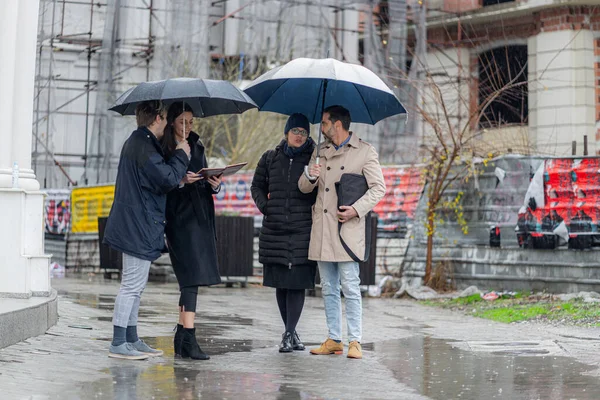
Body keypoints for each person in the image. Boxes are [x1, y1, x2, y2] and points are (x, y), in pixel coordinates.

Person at [104, 100, 191, 360]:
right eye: (165, 118)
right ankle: (119, 342)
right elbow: (164, 179)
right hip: (136, 224)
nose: (167, 123)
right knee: (131, 285)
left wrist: (181, 178)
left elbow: (156, 179)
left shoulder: (141, 143)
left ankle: (131, 338)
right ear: (157, 118)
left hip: (138, 223)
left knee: (136, 286)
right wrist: (182, 155)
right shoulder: (142, 145)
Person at [298, 105, 386, 359]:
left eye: (324, 123)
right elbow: (304, 188)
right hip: (323, 228)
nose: (321, 128)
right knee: (327, 287)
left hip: (346, 228)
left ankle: (355, 341)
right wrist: (309, 175)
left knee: (350, 285)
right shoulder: (319, 151)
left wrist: (356, 210)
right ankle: (334, 338)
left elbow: (378, 189)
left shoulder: (365, 152)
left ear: (337, 125)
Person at [161, 102, 222, 361]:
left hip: (200, 216)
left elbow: (205, 177)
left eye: (191, 122)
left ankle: (181, 337)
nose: (188, 126)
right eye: (183, 121)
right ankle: (189, 336)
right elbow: (162, 181)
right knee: (190, 276)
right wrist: (181, 179)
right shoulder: (164, 147)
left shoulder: (197, 144)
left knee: (191, 277)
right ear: (172, 122)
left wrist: (214, 184)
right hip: (178, 218)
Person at [251, 113, 317, 353]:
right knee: (281, 283)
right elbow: (256, 185)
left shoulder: (315, 158)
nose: (299, 136)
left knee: (297, 283)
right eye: (295, 131)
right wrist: (266, 206)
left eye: (304, 132)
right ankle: (291, 333)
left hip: (303, 230)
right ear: (286, 132)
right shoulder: (270, 158)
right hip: (275, 230)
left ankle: (288, 334)